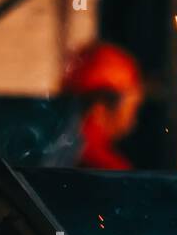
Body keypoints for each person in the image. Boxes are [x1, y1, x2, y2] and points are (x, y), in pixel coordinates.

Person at [60, 42, 144, 171]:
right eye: (133, 106)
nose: (133, 119)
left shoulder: (51, 149)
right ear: (102, 105)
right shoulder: (110, 169)